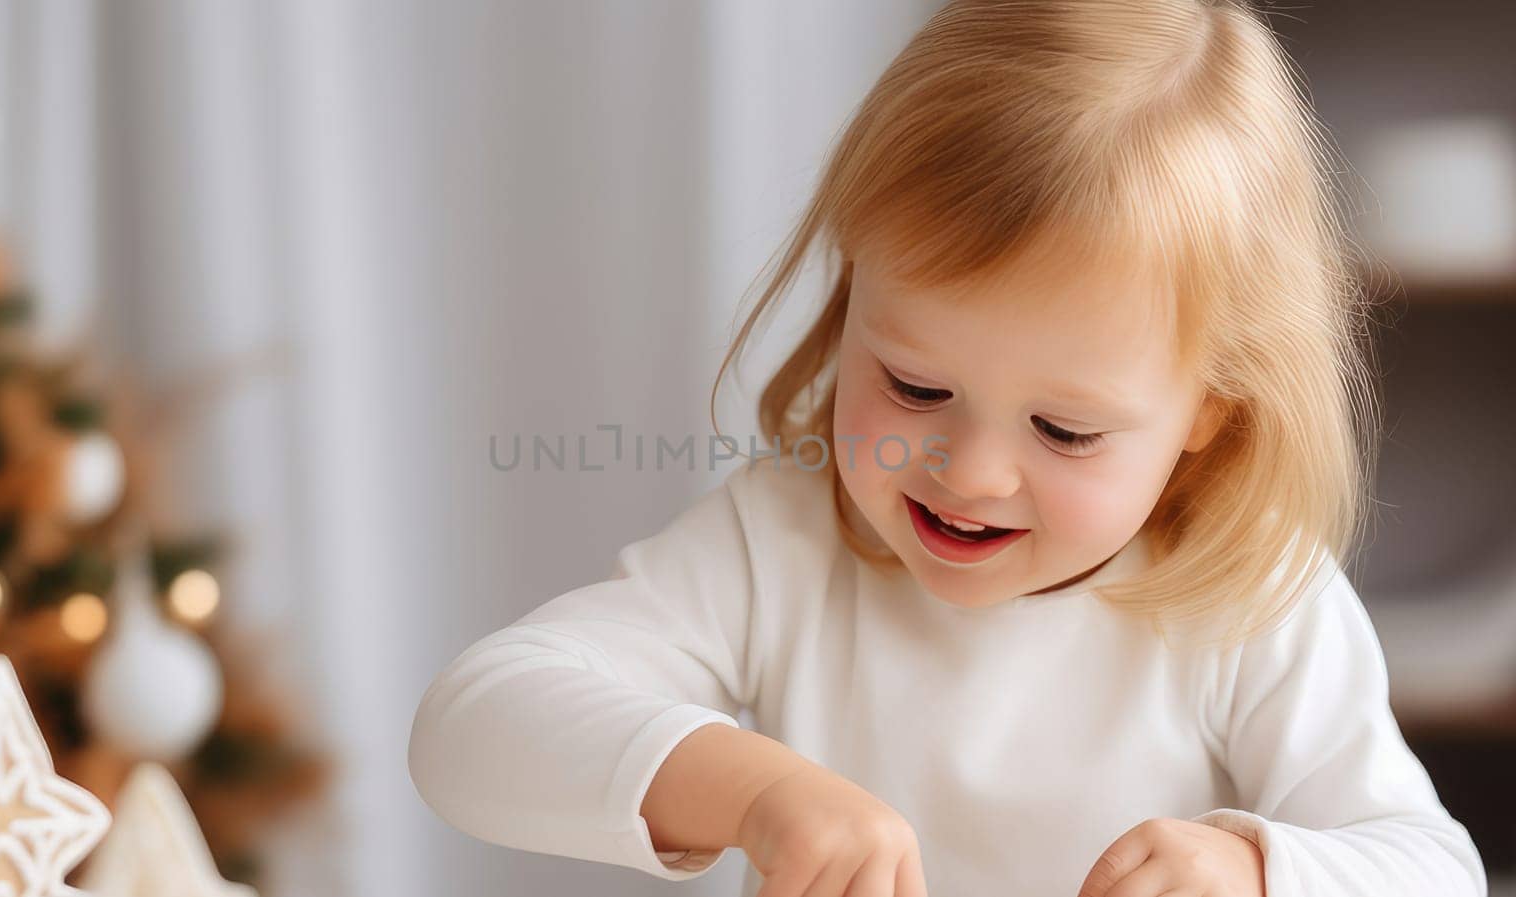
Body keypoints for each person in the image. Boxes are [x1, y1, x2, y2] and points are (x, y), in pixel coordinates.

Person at [407, 1, 1488, 895]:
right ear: (850, 300)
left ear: (1210, 412)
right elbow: (472, 726)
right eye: (914, 385)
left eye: (1064, 429)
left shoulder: (1251, 603)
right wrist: (752, 790)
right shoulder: (784, 541)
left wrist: (1255, 871)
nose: (967, 471)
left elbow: (1430, 867)